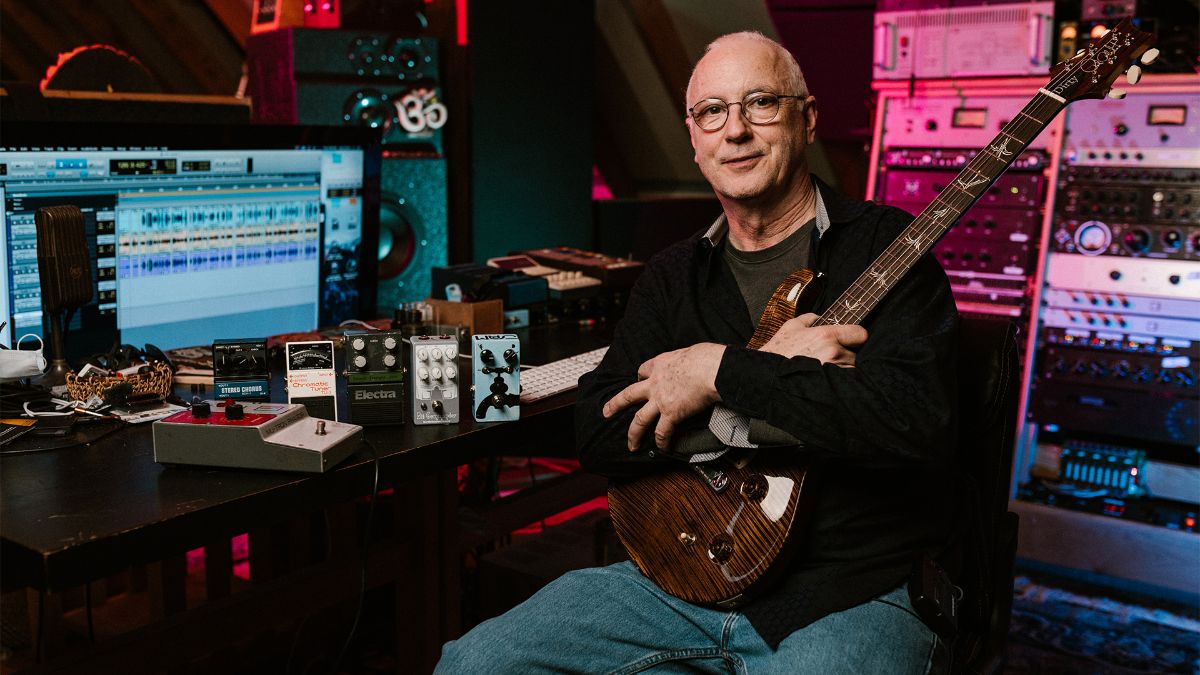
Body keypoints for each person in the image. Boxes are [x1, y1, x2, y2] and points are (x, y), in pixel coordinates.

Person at [437, 31, 959, 673]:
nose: (734, 130)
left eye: (761, 102)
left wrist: (718, 369)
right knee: (474, 663)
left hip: (848, 592)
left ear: (809, 117)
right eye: (712, 111)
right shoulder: (672, 275)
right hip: (673, 588)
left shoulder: (890, 249)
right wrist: (747, 398)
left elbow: (914, 424)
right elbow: (596, 436)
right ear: (693, 135)